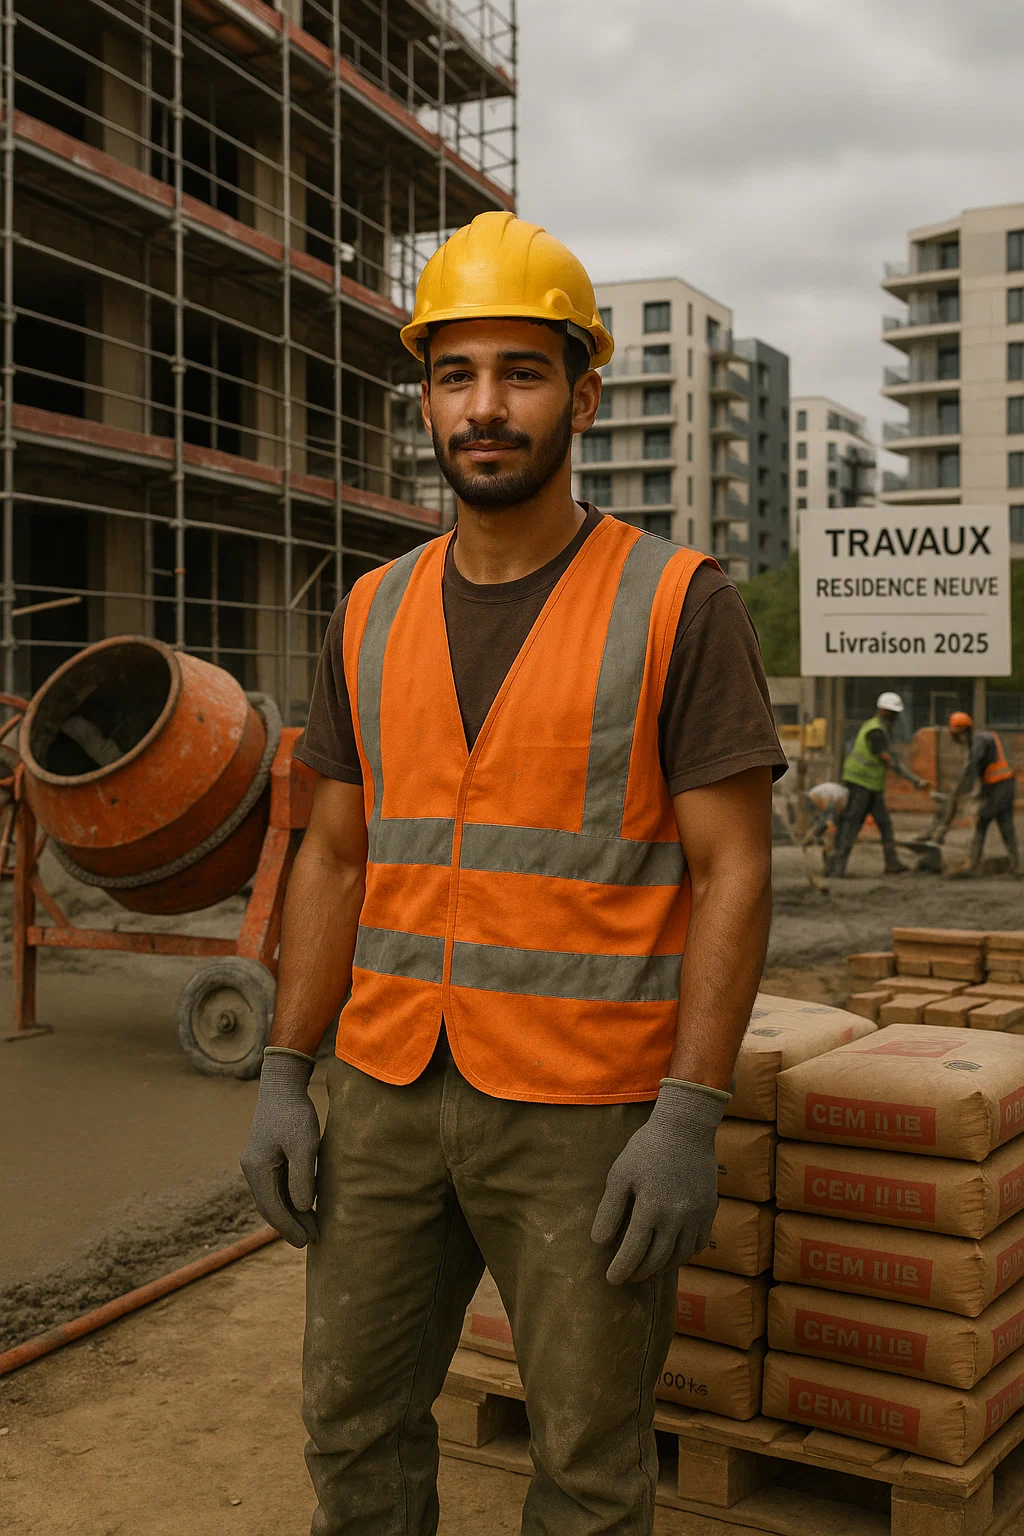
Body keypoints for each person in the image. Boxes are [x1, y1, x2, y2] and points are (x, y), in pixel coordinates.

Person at [240, 210, 786, 1536]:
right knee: (350, 1427)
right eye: (454, 375)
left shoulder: (675, 602)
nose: (483, 408)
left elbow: (734, 873)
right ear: (426, 396)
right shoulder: (370, 611)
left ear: (583, 394)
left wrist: (690, 1115)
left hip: (587, 1115)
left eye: (520, 373)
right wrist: (282, 1069)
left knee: (589, 1472)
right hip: (383, 1100)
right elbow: (336, 852)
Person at [830, 691, 928, 877]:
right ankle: (837, 868)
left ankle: (892, 863)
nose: (895, 716)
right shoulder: (875, 730)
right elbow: (887, 759)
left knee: (884, 824)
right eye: (892, 712)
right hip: (860, 783)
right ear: (884, 711)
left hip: (872, 785)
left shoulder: (879, 728)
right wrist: (914, 780)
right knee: (852, 824)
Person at [945, 711, 1019, 877]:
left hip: (1001, 786)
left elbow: (973, 766)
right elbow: (982, 773)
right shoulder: (978, 741)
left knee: (982, 821)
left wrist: (958, 792)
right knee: (1006, 825)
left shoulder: (980, 740)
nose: (957, 740)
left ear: (965, 731)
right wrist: (978, 794)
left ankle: (973, 865)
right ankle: (1017, 866)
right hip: (1002, 786)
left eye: (957, 735)